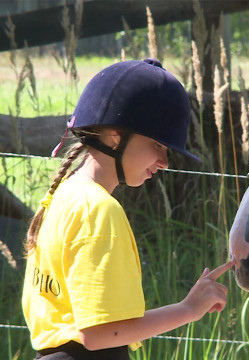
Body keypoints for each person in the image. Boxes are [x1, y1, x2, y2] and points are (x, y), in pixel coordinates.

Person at [21, 58, 234, 360]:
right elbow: (98, 334)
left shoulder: (65, 194)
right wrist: (188, 309)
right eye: (158, 145)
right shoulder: (98, 210)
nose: (164, 162)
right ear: (114, 136)